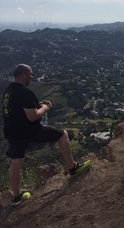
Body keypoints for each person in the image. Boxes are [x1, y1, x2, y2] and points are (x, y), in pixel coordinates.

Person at [2, 64, 91, 205]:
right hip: (29, 131)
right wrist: (45, 107)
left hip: (13, 132)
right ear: (24, 73)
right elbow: (33, 116)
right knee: (62, 134)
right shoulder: (25, 92)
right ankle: (73, 168)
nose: (32, 76)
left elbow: (19, 109)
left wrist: (37, 104)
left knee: (16, 162)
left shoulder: (9, 91)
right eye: (31, 74)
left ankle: (17, 196)